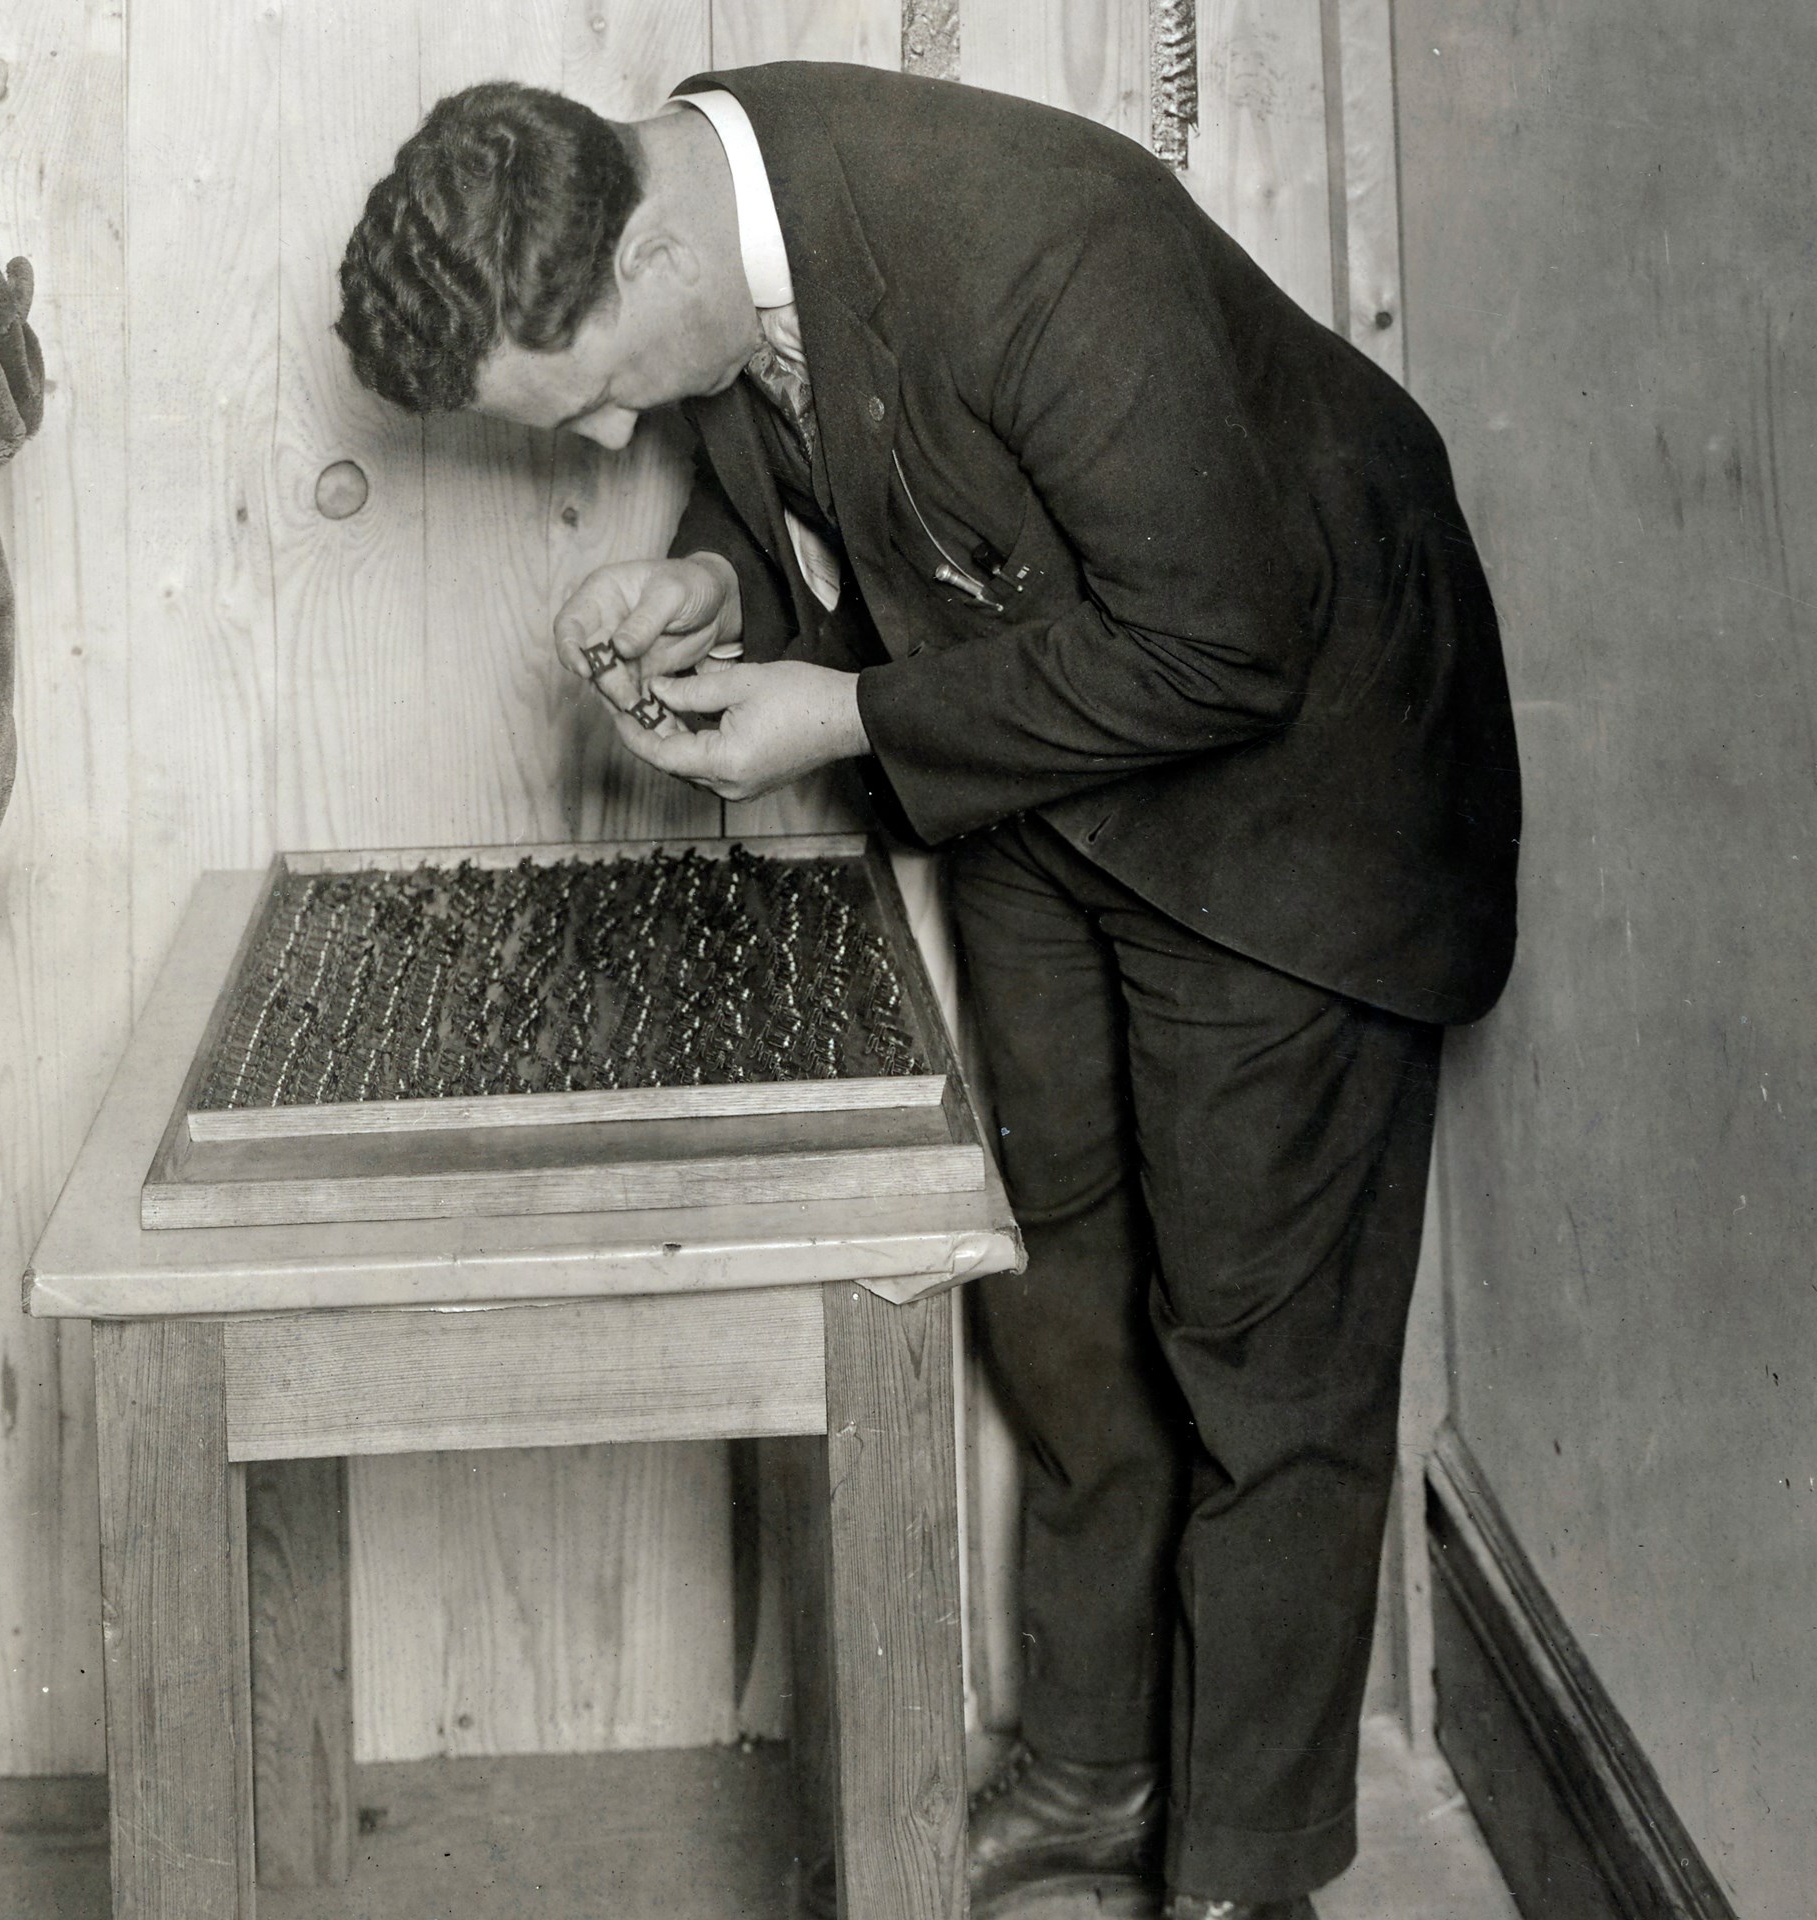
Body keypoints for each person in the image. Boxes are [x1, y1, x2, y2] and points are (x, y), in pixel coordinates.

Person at [334, 61, 1521, 1920]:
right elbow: (887, 501)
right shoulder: (705, 225)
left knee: (1256, 1352)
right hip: (1055, 768)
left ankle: (1245, 1875)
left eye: (599, 398)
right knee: (1059, 1297)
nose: (600, 449)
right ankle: (1093, 1781)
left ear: (650, 252)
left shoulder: (1037, 239)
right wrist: (714, 596)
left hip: (1299, 795)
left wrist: (855, 714)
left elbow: (1229, 638)